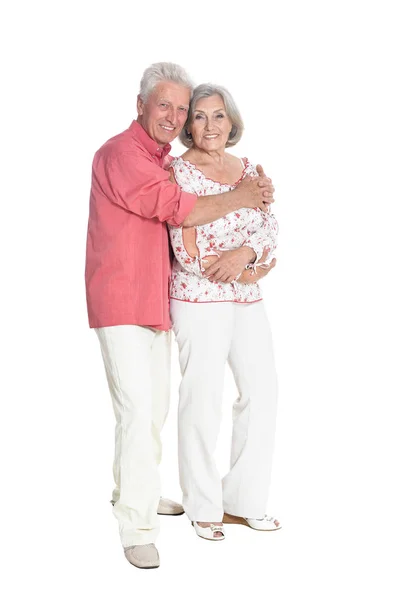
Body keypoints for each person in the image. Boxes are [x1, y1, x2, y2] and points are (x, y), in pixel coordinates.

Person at [85, 64, 275, 568]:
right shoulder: (122, 154)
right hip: (123, 298)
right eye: (164, 106)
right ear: (141, 105)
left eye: (180, 108)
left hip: (154, 300)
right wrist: (242, 198)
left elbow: (260, 221)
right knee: (137, 410)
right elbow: (178, 210)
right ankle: (136, 526)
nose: (173, 117)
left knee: (151, 412)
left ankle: (137, 492)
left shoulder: (162, 155)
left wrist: (253, 230)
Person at [168, 84, 280, 541]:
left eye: (218, 117)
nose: (209, 126)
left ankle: (243, 500)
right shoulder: (177, 172)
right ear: (188, 125)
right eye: (199, 117)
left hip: (247, 298)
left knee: (263, 390)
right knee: (203, 395)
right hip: (197, 298)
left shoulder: (251, 169)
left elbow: (270, 225)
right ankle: (202, 505)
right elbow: (184, 235)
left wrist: (249, 254)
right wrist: (234, 263)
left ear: (232, 122)